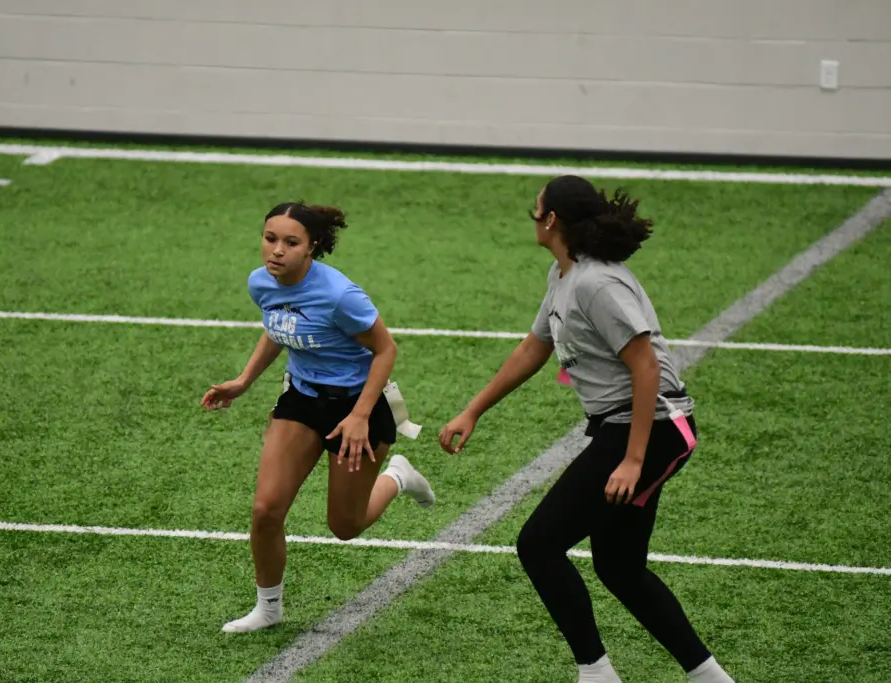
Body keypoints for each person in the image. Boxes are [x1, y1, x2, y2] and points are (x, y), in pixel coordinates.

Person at [439, 176, 734, 683]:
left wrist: (634, 459)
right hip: (631, 426)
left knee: (539, 544)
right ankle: (708, 677)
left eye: (536, 208)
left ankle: (596, 673)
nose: (532, 216)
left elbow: (645, 366)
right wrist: (474, 410)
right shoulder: (564, 274)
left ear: (551, 218)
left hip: (650, 427)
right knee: (619, 568)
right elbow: (534, 347)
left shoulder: (597, 283)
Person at [202, 201, 435, 634]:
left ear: (311, 247)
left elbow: (386, 350)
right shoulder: (261, 283)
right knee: (266, 510)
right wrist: (244, 380)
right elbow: (279, 328)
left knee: (345, 526)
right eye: (270, 238)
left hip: (359, 405)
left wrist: (360, 416)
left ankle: (398, 477)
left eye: (291, 243)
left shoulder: (339, 296)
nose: (277, 250)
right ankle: (268, 608)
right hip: (302, 398)